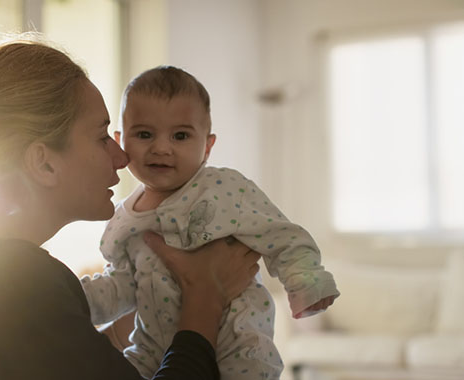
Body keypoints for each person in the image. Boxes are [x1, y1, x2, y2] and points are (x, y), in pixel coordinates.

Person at [0, 37, 262, 380]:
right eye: (100, 137)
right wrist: (204, 297)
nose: (121, 156)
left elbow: (60, 360)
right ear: (43, 163)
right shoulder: (18, 282)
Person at [80, 66, 340, 379]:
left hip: (237, 340)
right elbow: (122, 286)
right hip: (154, 350)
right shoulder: (122, 218)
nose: (161, 147)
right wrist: (76, 301)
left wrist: (306, 283)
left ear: (207, 146)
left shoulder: (225, 189)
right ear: (121, 141)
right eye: (144, 134)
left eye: (180, 135)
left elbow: (283, 237)